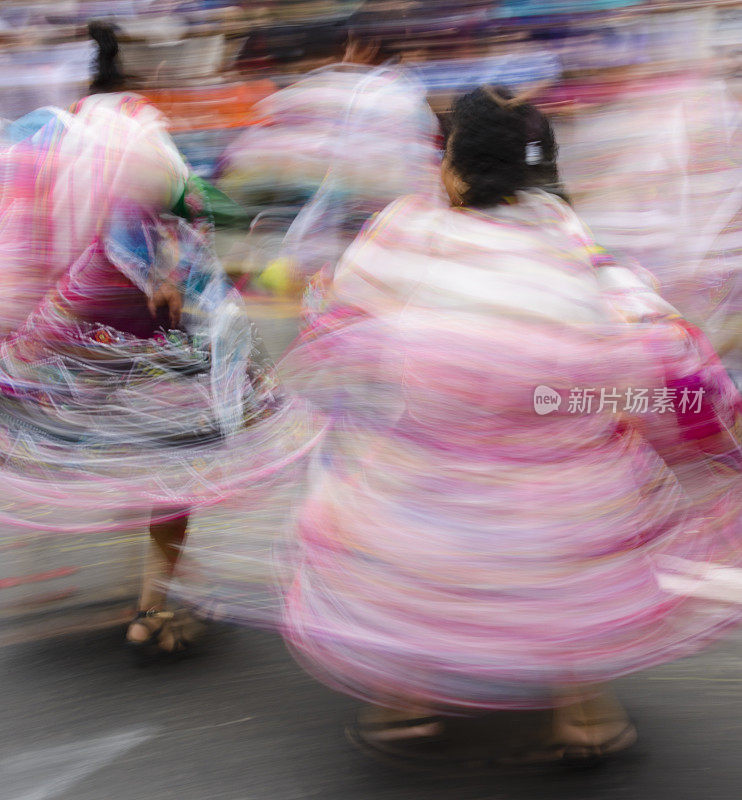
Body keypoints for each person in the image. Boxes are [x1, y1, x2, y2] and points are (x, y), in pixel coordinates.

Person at [277, 86, 742, 765]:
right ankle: (585, 718)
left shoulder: (409, 225)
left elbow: (337, 318)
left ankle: (405, 704)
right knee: (568, 581)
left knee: (410, 570)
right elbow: (637, 321)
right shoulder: (558, 225)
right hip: (561, 473)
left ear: (450, 162)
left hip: (433, 468)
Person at [0, 22, 319, 662]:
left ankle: (122, 585)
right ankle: (152, 601)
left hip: (70, 318)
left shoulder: (48, 136)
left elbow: (22, 233)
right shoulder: (143, 129)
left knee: (101, 441)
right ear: (137, 80)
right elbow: (168, 203)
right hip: (142, 314)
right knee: (174, 455)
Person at [217, 7, 441, 294]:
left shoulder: (367, 96)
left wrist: (301, 248)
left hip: (358, 253)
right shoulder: (413, 100)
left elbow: (343, 181)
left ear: (365, 47)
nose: (344, 57)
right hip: (399, 252)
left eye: (347, 46)